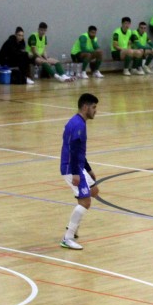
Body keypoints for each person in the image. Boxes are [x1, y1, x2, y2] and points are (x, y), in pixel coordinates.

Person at [60, 93, 99, 250]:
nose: (96, 111)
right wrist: (77, 172)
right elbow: (74, 151)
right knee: (85, 201)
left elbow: (78, 151)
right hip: (72, 168)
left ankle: (73, 228)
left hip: (77, 166)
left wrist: (88, 169)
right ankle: (67, 238)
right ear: (85, 107)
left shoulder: (77, 122)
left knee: (94, 190)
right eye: (94, 107)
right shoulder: (78, 125)